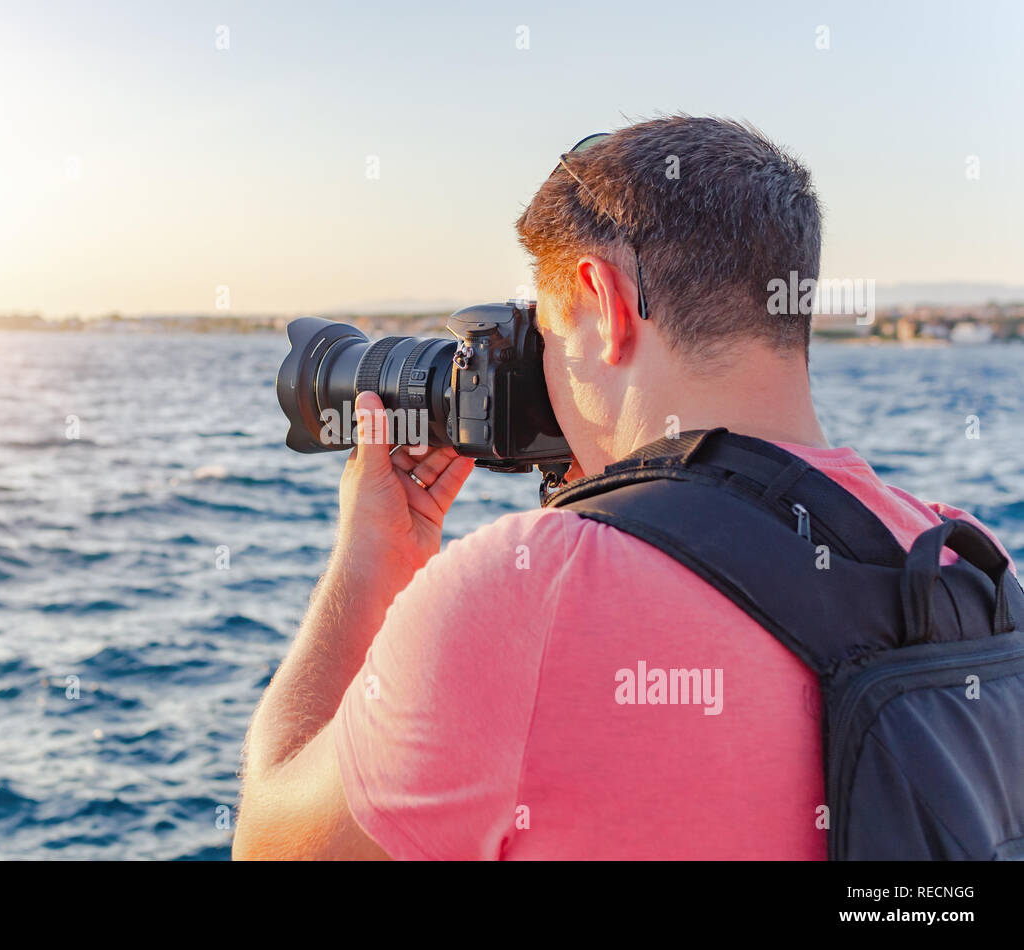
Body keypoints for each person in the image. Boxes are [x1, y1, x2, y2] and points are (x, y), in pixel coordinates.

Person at [231, 116, 1013, 859]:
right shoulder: (972, 567)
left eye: (549, 332)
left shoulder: (528, 594)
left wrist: (372, 558)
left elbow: (269, 844)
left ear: (603, 308)